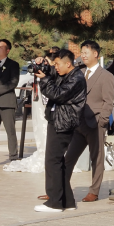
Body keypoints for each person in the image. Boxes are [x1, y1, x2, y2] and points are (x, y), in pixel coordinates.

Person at [33, 49, 86, 213]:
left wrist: (44, 80)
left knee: (52, 161)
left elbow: (57, 94)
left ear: (68, 64)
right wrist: (41, 64)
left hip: (63, 123)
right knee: (58, 162)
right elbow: (52, 77)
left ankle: (55, 203)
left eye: (58, 64)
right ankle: (67, 201)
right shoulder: (67, 75)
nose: (56, 67)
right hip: (58, 120)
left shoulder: (76, 78)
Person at [62, 40, 114, 202]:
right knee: (69, 157)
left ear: (95, 54)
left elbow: (108, 101)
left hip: (95, 123)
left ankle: (94, 191)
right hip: (78, 123)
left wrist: (102, 121)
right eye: (82, 52)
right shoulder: (79, 73)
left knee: (96, 158)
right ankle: (59, 188)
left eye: (86, 52)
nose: (83, 55)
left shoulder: (106, 76)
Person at [6, 47, 59, 175]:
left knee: (49, 127)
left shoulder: (59, 68)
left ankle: (52, 154)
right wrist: (38, 63)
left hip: (53, 102)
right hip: (39, 100)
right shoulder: (43, 64)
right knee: (40, 126)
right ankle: (43, 151)